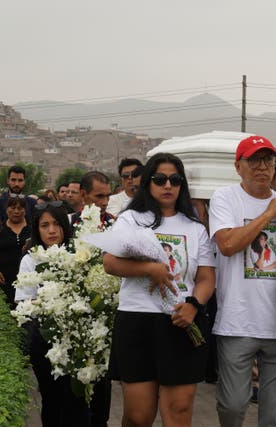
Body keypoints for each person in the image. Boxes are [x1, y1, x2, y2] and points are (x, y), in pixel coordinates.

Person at [103, 152, 216, 426]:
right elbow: (110, 262)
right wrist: (149, 269)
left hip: (181, 322)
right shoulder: (131, 219)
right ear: (148, 183)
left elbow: (206, 278)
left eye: (175, 180)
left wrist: (194, 305)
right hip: (137, 322)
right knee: (138, 416)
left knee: (178, 412)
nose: (168, 185)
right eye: (160, 179)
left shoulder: (195, 228)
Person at [209, 135, 276, 427]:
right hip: (238, 322)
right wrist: (269, 213)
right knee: (233, 405)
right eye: (254, 160)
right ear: (238, 167)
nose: (263, 166)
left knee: (273, 415)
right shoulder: (224, 198)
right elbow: (227, 244)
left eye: (268, 159)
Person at [15, 204, 91, 426]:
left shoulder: (79, 256)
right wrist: (53, 301)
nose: (51, 230)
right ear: (36, 230)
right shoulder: (30, 260)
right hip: (44, 340)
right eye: (44, 225)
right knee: (52, 399)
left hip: (77, 339)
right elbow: (23, 301)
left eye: (57, 224)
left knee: (77, 400)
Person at [0, 197, 31, 308]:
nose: (16, 211)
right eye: (13, 208)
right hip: (5, 279)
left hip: (28, 280)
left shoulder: (32, 228)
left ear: (25, 210)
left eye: (20, 208)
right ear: (6, 210)